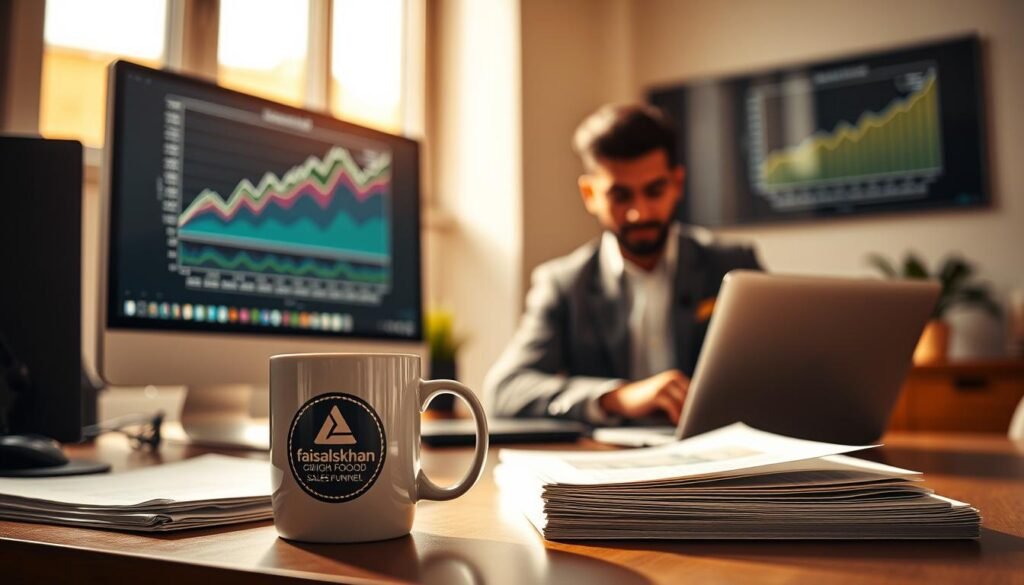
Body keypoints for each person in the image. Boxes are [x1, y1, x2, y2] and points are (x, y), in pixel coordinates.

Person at [483, 104, 761, 425]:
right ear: (590, 194)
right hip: (608, 462)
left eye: (654, 191)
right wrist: (615, 397)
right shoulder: (563, 283)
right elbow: (504, 390)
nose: (638, 213)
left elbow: (783, 369)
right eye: (620, 196)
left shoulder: (734, 266)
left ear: (677, 184)